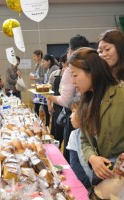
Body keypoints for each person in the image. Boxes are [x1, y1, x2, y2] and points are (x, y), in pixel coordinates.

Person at [68, 47, 124, 198]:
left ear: (92, 72)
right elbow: (84, 139)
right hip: (101, 177)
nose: (73, 82)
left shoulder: (121, 94)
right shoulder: (87, 101)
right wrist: (92, 158)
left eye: (75, 75)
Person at [46, 34, 89, 162]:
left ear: (70, 51)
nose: (75, 82)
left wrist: (49, 97)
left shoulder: (70, 69)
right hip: (86, 114)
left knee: (73, 154)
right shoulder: (90, 67)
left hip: (77, 114)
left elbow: (66, 100)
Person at [66, 97, 92, 189]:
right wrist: (87, 185)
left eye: (73, 111)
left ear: (85, 112)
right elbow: (75, 164)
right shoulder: (74, 135)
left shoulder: (97, 135)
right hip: (85, 185)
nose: (70, 116)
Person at [48, 53, 68, 148]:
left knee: (67, 137)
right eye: (67, 64)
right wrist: (49, 104)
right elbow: (48, 90)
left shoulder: (72, 75)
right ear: (63, 63)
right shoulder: (55, 74)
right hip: (57, 106)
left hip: (67, 107)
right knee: (57, 135)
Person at [41, 54, 60, 127]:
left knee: (51, 112)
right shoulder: (48, 68)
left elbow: (53, 84)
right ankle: (47, 126)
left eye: (44, 62)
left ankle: (48, 126)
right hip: (48, 92)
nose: (43, 64)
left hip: (53, 94)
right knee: (47, 111)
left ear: (49, 61)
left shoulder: (54, 68)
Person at [29, 50, 47, 117]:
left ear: (39, 56)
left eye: (34, 56)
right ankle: (36, 120)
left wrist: (35, 78)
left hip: (42, 87)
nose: (33, 57)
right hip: (37, 87)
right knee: (36, 105)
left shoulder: (43, 65)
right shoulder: (36, 65)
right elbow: (37, 75)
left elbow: (44, 78)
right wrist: (33, 76)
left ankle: (46, 123)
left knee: (44, 107)